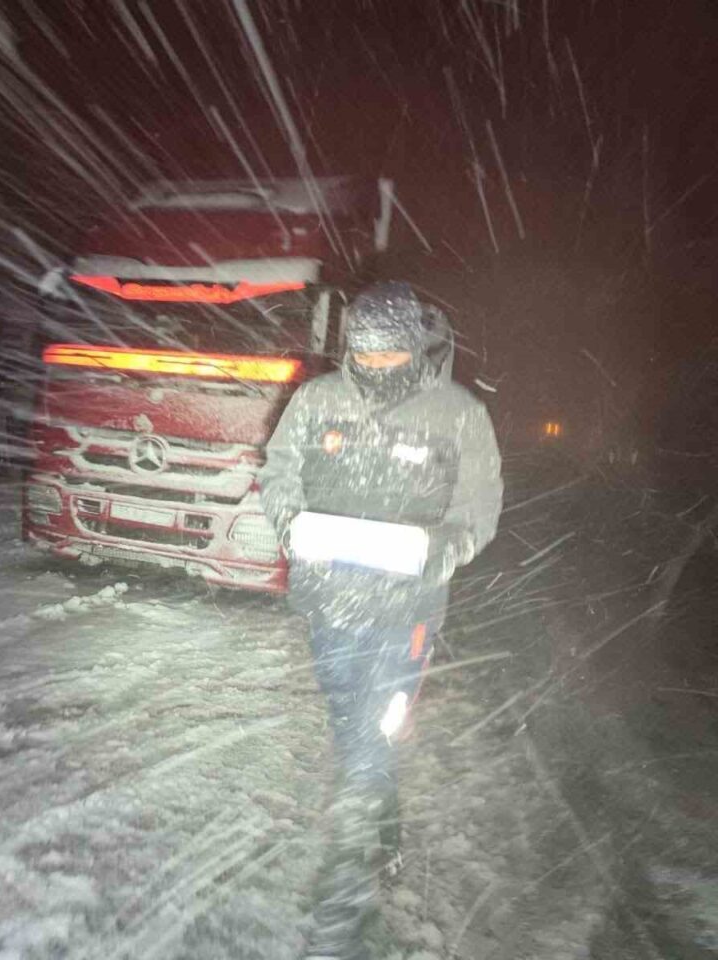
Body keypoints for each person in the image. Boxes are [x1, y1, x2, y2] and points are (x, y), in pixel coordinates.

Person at [259, 281, 502, 958]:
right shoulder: (318, 401)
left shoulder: (458, 415)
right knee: (349, 722)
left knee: (379, 727)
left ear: (416, 349)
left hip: (407, 611)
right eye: (364, 352)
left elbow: (478, 507)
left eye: (391, 355)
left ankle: (345, 883)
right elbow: (279, 474)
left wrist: (446, 547)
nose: (376, 365)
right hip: (331, 600)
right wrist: (289, 526)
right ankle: (381, 819)